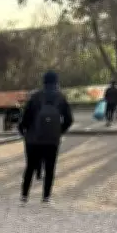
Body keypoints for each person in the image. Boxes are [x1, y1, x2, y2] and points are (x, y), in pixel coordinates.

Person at [17, 71, 74, 204]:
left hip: (33, 139)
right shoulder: (61, 97)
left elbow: (25, 118)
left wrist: (24, 132)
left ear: (43, 82)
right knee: (50, 168)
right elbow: (69, 119)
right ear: (56, 82)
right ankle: (46, 197)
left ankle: (24, 195)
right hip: (51, 140)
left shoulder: (35, 97)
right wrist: (59, 131)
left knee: (30, 167)